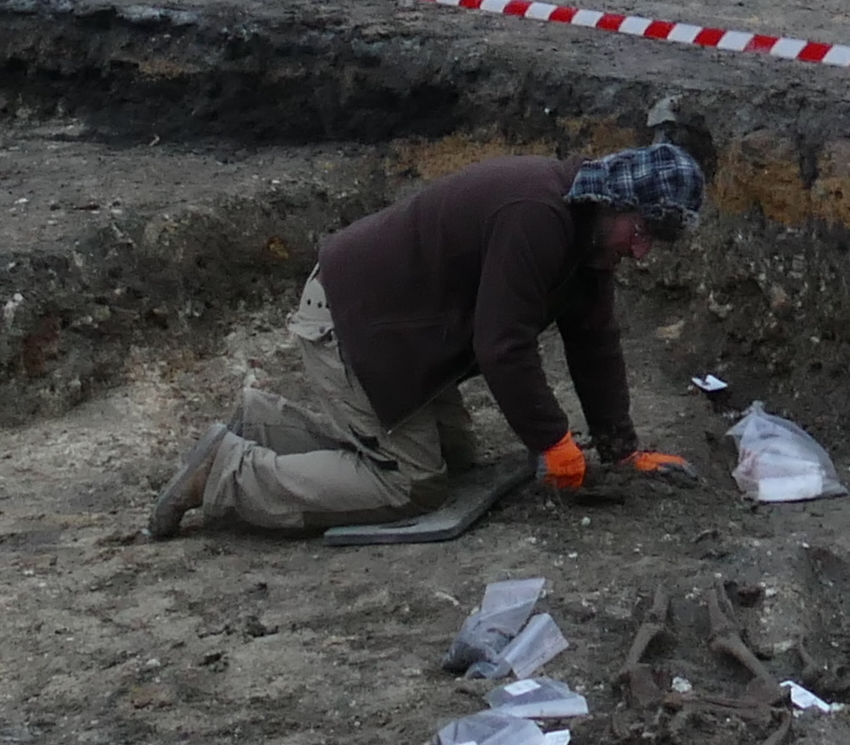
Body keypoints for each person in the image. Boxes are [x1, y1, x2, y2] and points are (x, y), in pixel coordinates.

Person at [149, 119, 707, 537]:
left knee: (456, 462)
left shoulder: (588, 241)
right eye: (642, 231)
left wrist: (621, 449)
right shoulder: (538, 216)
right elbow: (502, 345)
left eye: (655, 240)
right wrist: (552, 441)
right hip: (354, 322)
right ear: (617, 201)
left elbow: (594, 340)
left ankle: (264, 424)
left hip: (395, 328)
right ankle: (228, 473)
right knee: (410, 485)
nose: (641, 251)